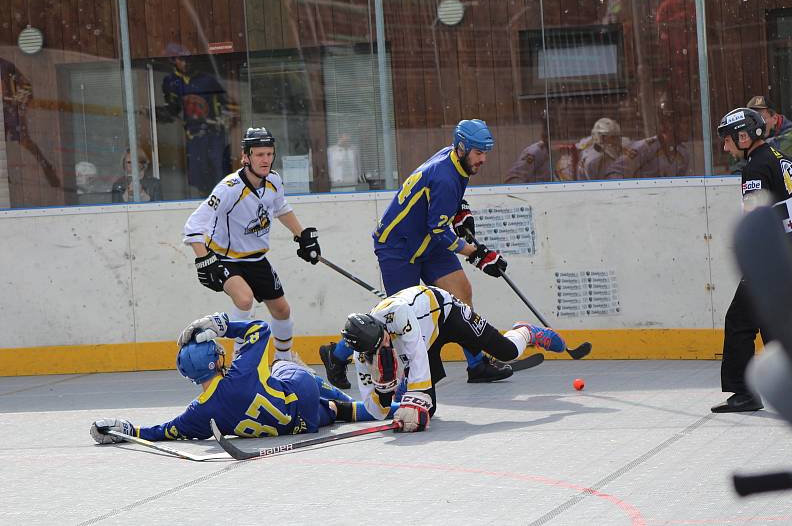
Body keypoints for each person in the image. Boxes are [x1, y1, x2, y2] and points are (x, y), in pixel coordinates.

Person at [319, 119, 513, 389]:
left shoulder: (454, 159)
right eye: (479, 153)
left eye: (485, 153)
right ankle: (337, 355)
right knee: (397, 316)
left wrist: (460, 212)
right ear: (462, 147)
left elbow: (438, 205)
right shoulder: (446, 174)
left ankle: (477, 363)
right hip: (398, 247)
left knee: (461, 294)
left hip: (427, 242)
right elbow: (438, 230)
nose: (483, 159)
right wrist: (478, 255)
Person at [89, 313, 379, 443]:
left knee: (336, 411)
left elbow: (163, 431)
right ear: (216, 361)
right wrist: (222, 324)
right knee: (281, 367)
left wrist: (126, 430)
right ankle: (391, 403)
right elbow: (261, 330)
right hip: (299, 399)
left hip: (302, 426)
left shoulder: (198, 413)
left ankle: (341, 408)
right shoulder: (240, 372)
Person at [340, 285, 568, 432]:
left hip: (447, 313)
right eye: (381, 345)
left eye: (386, 337)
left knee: (507, 351)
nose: (387, 342)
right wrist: (382, 390)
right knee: (428, 411)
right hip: (423, 338)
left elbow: (417, 353)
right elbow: (376, 412)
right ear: (365, 353)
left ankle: (526, 331)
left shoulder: (397, 314)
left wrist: (412, 396)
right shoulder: (361, 358)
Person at [183, 127, 321, 363]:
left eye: (269, 154)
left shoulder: (274, 181)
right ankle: (240, 360)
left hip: (256, 258)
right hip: (225, 258)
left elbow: (281, 209)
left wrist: (303, 236)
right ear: (245, 157)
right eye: (259, 154)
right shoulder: (229, 189)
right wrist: (204, 259)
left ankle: (283, 360)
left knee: (282, 310)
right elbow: (193, 226)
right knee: (245, 299)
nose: (265, 159)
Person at [712, 107, 792, 412]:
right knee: (769, 321)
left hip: (777, 258)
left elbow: (755, 218)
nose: (725, 147)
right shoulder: (781, 157)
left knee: (738, 321)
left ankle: (744, 393)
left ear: (744, 135)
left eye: (727, 140)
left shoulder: (755, 168)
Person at [158, 43, 237, 197]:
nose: (184, 63)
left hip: (214, 134)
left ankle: (224, 200)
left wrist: (225, 119)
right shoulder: (171, 82)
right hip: (193, 137)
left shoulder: (207, 80)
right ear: (173, 61)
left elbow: (229, 104)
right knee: (199, 176)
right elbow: (173, 111)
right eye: (179, 59)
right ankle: (205, 202)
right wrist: (157, 113)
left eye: (186, 59)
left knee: (219, 172)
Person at [0, 58, 60, 188]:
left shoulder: (6, 65)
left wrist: (16, 102)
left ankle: (46, 167)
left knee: (25, 141)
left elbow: (26, 86)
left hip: (10, 112)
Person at [608, 94, 690, 179]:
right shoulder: (644, 148)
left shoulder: (683, 154)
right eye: (685, 122)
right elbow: (613, 173)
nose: (689, 127)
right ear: (669, 123)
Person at [747, 96, 792, 163]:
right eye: (752, 121)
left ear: (775, 119)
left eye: (761, 119)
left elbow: (772, 161)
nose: (756, 125)